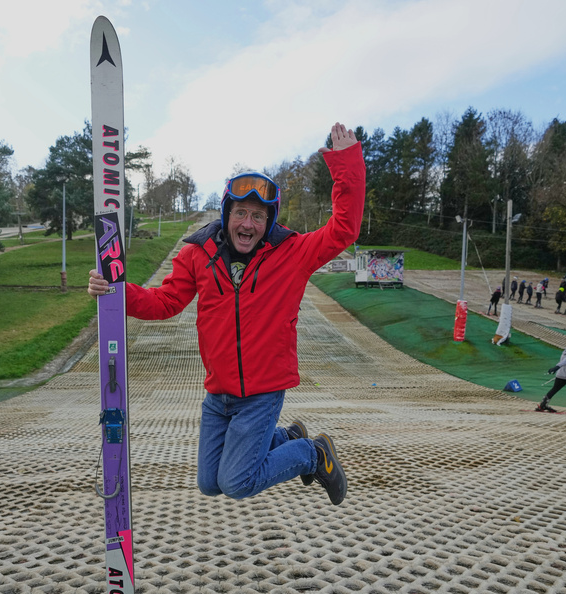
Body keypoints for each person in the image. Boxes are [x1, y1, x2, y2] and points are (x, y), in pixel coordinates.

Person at [87, 123, 363, 506]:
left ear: (268, 222)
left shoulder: (292, 253)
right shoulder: (197, 254)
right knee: (209, 482)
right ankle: (287, 438)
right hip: (219, 394)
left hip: (262, 393)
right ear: (226, 213)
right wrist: (117, 293)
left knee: (236, 481)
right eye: (241, 213)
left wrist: (346, 165)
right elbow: (165, 301)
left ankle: (312, 453)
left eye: (258, 216)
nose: (248, 223)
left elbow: (344, 229)